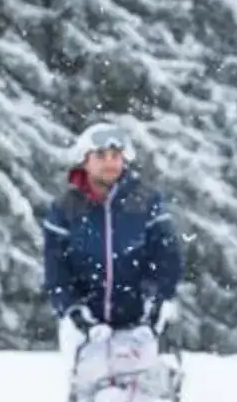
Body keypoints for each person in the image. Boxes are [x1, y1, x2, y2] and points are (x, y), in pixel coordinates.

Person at [41, 119, 182, 336]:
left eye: (115, 156)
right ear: (84, 160)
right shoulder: (65, 208)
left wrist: (157, 300)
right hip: (86, 325)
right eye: (100, 156)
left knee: (143, 369)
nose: (110, 163)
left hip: (140, 323)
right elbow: (56, 267)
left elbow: (167, 257)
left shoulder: (145, 201)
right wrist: (71, 308)